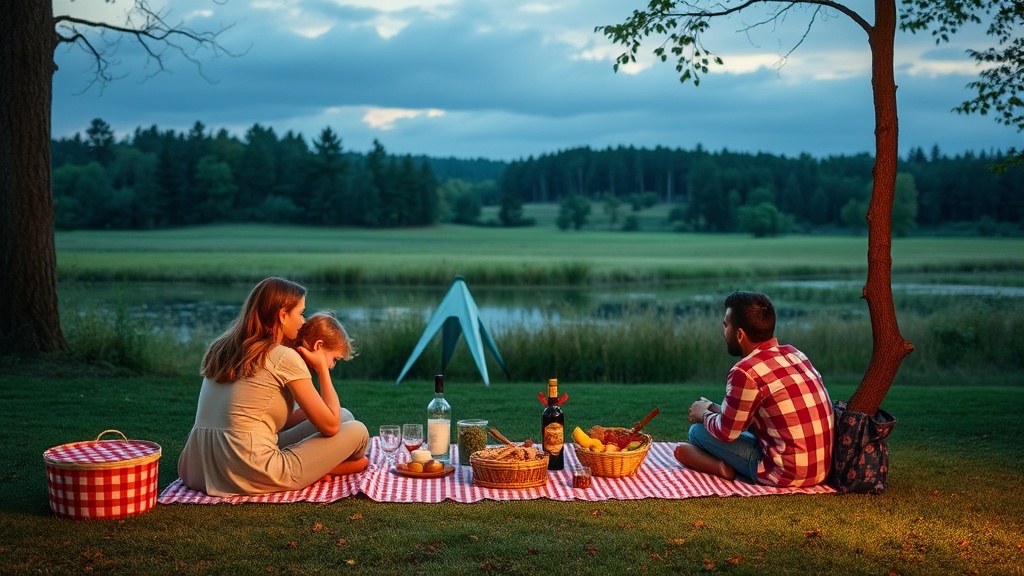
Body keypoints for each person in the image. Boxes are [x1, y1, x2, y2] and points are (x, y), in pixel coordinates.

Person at [178, 277, 369, 496]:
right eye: (300, 313)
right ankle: (323, 470)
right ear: (283, 315)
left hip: (197, 466)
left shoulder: (222, 347)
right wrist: (322, 370)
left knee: (344, 415)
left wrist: (318, 413)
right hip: (247, 468)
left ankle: (320, 467)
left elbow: (270, 418)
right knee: (358, 431)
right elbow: (331, 428)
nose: (303, 321)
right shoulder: (282, 357)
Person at [674, 291, 834, 487]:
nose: (724, 331)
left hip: (785, 473)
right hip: (821, 469)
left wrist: (703, 414)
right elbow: (750, 418)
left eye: (726, 325)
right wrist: (714, 407)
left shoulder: (745, 371)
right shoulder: (794, 354)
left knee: (697, 432)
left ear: (739, 334)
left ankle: (719, 467)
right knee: (729, 428)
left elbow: (727, 433)